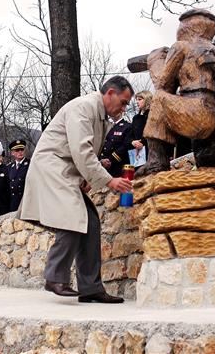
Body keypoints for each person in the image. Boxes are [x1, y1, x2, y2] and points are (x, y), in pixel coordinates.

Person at [18, 75, 134, 304]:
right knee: (72, 218)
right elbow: (82, 152)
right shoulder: (84, 108)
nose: (124, 108)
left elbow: (81, 154)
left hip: (64, 170)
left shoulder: (99, 116)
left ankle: (90, 288)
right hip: (51, 168)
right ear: (110, 93)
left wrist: (87, 177)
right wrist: (109, 181)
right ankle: (54, 277)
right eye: (123, 101)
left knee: (90, 221)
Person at [138, 8, 215, 174]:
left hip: (195, 113)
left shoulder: (181, 46)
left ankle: (157, 162)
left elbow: (163, 85)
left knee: (159, 99)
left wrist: (155, 61)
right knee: (208, 165)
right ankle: (210, 165)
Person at [131, 90, 152, 168]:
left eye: (140, 99)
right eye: (136, 99)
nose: (137, 102)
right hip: (136, 153)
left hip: (151, 153)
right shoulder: (135, 118)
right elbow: (130, 135)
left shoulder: (153, 116)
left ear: (147, 99)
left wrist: (142, 143)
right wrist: (133, 142)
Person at [8, 139, 30, 212]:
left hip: (26, 201)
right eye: (17, 150)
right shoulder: (10, 167)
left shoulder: (30, 164)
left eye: (22, 149)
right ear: (12, 153)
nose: (20, 152)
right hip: (13, 203)